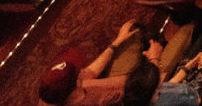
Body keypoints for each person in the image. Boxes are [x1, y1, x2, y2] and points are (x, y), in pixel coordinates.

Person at [38, 19, 181, 106]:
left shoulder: (51, 95)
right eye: (76, 77)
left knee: (133, 31)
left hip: (123, 83)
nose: (80, 73)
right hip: (137, 94)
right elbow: (132, 86)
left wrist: (117, 42)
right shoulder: (97, 99)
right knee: (184, 37)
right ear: (74, 88)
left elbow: (91, 72)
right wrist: (153, 61)